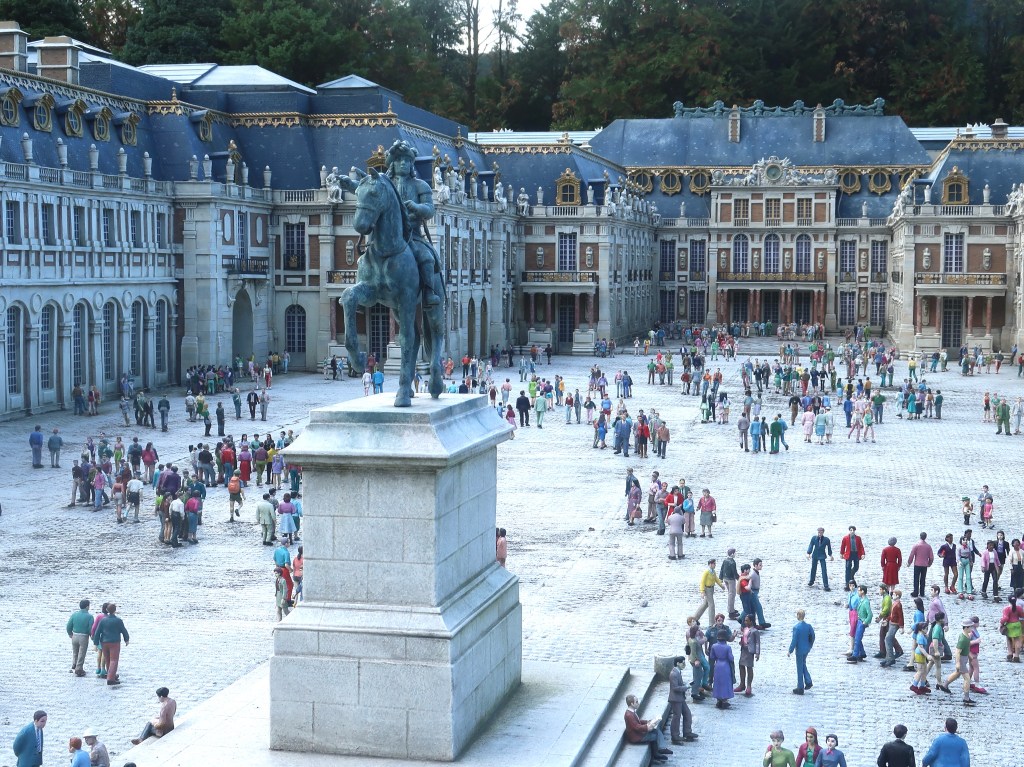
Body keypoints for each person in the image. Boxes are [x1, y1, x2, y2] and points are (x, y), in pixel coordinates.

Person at [623, 694, 671, 763]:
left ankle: (660, 750)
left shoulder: (631, 712)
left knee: (656, 731)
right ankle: (658, 752)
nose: (638, 703)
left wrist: (648, 721)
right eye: (636, 702)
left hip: (637, 734)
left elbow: (638, 721)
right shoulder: (629, 715)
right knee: (655, 736)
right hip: (636, 737)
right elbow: (637, 727)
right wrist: (647, 726)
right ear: (631, 704)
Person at [95, 603, 129, 685]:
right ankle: (110, 678)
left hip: (104, 642)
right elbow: (124, 631)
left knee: (107, 659)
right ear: (115, 610)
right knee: (114, 660)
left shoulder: (103, 620)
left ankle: (111, 675)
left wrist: (96, 642)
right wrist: (126, 639)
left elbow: (97, 632)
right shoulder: (118, 620)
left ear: (107, 610)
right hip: (114, 642)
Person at [667, 656, 698, 744]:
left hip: (680, 698)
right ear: (677, 663)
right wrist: (685, 687)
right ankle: (675, 736)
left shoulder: (677, 672)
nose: (684, 665)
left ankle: (687, 732)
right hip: (676, 699)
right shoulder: (674, 674)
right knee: (677, 717)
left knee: (687, 714)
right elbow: (675, 688)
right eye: (682, 663)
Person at [788, 609, 815, 694]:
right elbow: (813, 636)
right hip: (806, 649)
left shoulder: (796, 627)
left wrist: (790, 650)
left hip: (799, 650)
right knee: (803, 664)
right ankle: (808, 681)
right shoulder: (809, 626)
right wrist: (810, 645)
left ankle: (801, 687)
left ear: (798, 616)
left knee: (799, 667)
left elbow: (794, 640)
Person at [708, 628, 736, 708]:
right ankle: (724, 700)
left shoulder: (714, 646)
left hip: (718, 665)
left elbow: (712, 656)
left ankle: (718, 699)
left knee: (718, 682)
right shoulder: (727, 647)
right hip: (725, 665)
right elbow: (731, 658)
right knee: (726, 682)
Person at [66, 598, 93, 677]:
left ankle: (74, 663)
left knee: (75, 651)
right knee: (82, 653)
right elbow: (90, 629)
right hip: (84, 636)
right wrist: (92, 637)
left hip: (74, 635)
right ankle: (79, 668)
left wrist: (70, 633)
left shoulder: (74, 614)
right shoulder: (90, 616)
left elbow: (68, 626)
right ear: (87, 607)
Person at [908, 532, 934, 598]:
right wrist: (929, 563)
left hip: (917, 564)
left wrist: (909, 562)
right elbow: (931, 557)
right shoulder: (928, 546)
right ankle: (922, 592)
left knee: (916, 578)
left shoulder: (916, 545)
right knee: (923, 578)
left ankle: (915, 592)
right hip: (924, 565)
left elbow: (912, 555)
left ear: (920, 536)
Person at [840, 525, 865, 590]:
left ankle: (851, 575)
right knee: (848, 568)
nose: (852, 531)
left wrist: (863, 554)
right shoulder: (845, 538)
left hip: (856, 554)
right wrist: (841, 553)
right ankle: (847, 583)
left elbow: (861, 546)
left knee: (856, 567)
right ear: (849, 531)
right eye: (851, 530)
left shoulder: (858, 538)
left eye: (853, 530)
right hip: (849, 554)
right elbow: (843, 546)